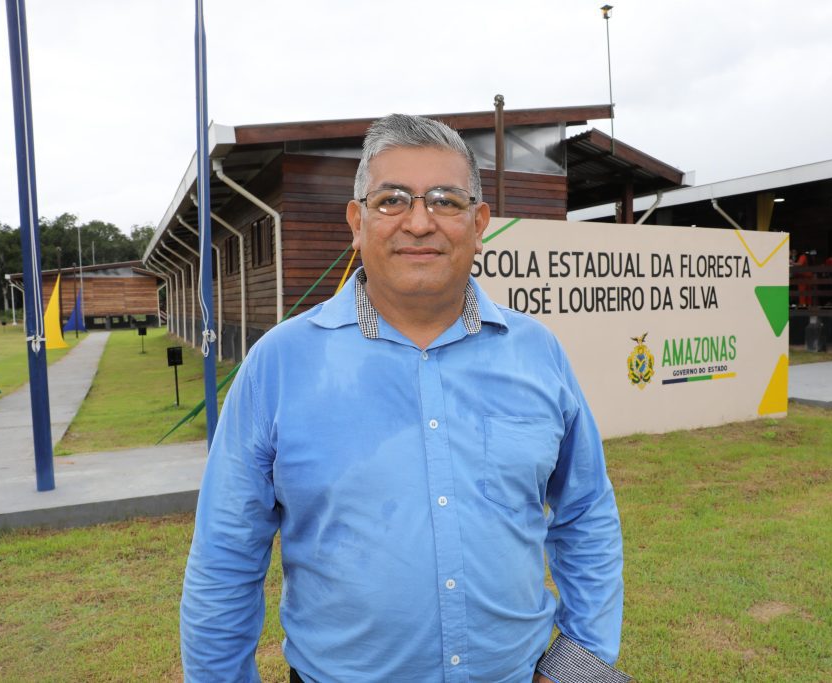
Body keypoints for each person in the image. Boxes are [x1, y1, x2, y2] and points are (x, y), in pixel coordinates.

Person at [180, 113, 629, 683]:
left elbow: (587, 512)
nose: (419, 222)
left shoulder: (537, 353)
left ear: (478, 221)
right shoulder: (278, 365)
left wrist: (581, 663)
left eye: (445, 200)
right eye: (392, 200)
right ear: (356, 220)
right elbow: (224, 558)